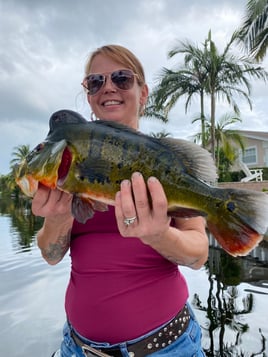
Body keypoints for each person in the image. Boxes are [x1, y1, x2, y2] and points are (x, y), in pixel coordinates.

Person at [32, 44, 208, 357]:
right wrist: (58, 218)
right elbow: (51, 254)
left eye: (122, 78)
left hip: (166, 348)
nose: (108, 87)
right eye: (95, 82)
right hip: (77, 347)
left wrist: (158, 234)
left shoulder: (165, 159)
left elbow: (198, 255)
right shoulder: (70, 164)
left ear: (143, 93)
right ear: (89, 95)